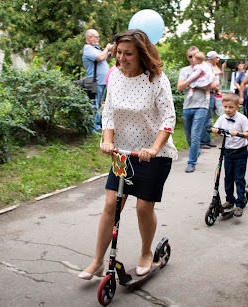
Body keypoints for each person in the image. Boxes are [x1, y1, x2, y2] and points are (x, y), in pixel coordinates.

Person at [78, 29, 178, 280]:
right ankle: (98, 261)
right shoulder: (115, 76)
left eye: (128, 54)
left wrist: (154, 149)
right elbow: (108, 111)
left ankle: (146, 253)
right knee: (111, 204)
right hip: (123, 153)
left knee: (144, 207)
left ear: (142, 54)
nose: (121, 58)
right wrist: (108, 141)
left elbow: (168, 117)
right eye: (118, 52)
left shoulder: (156, 79)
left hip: (154, 155)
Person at [212, 93, 248, 217]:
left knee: (239, 178)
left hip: (240, 152)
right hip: (227, 151)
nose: (227, 110)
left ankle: (239, 204)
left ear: (237, 107)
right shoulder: (222, 118)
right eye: (225, 107)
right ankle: (230, 200)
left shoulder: (242, 118)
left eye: (231, 107)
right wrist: (215, 130)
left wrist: (239, 134)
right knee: (228, 177)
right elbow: (216, 132)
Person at [178, 46, 216, 173]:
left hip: (202, 106)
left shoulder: (207, 68)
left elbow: (214, 85)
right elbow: (179, 87)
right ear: (187, 58)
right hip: (187, 106)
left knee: (195, 136)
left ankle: (191, 162)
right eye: (190, 56)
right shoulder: (185, 70)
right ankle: (196, 152)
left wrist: (197, 84)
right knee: (188, 136)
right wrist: (193, 80)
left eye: (195, 55)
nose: (193, 59)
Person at [82, 29, 113, 132]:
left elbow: (104, 59)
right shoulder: (87, 48)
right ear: (89, 37)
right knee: (94, 105)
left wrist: (109, 53)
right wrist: (107, 48)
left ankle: (98, 125)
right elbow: (100, 58)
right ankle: (92, 127)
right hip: (95, 81)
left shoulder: (96, 49)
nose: (98, 39)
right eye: (96, 37)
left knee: (99, 104)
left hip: (101, 81)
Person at [201, 50, 225, 149]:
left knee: (209, 118)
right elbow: (207, 81)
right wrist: (216, 88)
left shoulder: (210, 67)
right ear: (212, 58)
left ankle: (207, 140)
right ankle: (203, 141)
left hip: (212, 94)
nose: (218, 59)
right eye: (217, 58)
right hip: (207, 94)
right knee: (206, 118)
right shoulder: (206, 67)